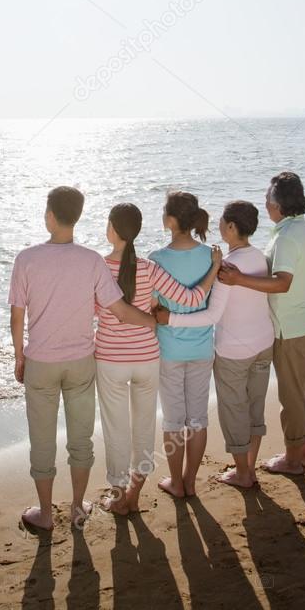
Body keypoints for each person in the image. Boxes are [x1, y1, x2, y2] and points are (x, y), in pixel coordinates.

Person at [8, 186, 156, 531]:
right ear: (77, 216)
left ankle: (45, 514)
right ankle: (77, 507)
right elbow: (118, 309)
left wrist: (19, 357)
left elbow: (17, 317)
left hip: (41, 362)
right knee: (81, 439)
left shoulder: (26, 258)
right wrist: (151, 321)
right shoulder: (91, 259)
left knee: (42, 440)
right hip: (81, 362)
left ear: (49, 216)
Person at [95, 202, 221, 514]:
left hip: (111, 359)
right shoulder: (151, 268)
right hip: (147, 358)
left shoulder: (97, 267)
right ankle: (134, 497)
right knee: (143, 429)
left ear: (112, 229)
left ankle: (118, 496)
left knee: (116, 431)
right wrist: (214, 270)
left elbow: (91, 311)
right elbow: (192, 298)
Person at [155, 200, 274, 489]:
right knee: (215, 415)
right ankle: (212, 476)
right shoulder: (235, 257)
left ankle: (191, 481)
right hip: (231, 346)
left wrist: (169, 318)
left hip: (193, 350)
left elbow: (207, 313)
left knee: (188, 418)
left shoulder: (160, 259)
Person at [219, 172, 305, 476]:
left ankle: (292, 459)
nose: (265, 204)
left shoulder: (287, 237)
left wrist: (239, 278)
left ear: (277, 205)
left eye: (268, 199)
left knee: (293, 396)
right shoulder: (304, 231)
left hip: (293, 330)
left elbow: (282, 283)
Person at [149, 191, 222, 498]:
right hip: (203, 348)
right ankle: (191, 481)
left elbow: (153, 308)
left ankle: (176, 482)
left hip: (169, 350)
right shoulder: (211, 256)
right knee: (198, 418)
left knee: (173, 420)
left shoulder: (156, 260)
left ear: (169, 221)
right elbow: (214, 304)